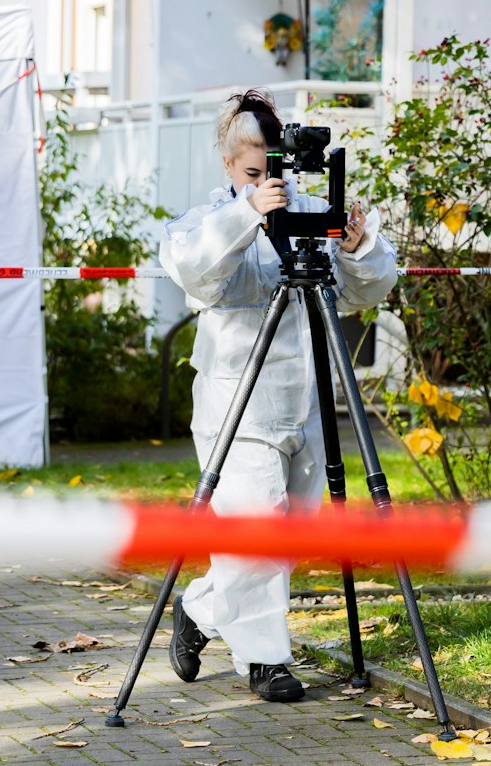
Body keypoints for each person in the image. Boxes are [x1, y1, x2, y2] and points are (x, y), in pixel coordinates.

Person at [160, 89, 396, 702]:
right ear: (228, 165)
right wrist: (247, 214)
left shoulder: (313, 212)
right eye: (252, 172)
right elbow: (195, 270)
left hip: (306, 399)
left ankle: (200, 608)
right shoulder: (209, 218)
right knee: (256, 529)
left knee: (289, 535)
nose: (269, 183)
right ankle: (266, 661)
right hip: (236, 401)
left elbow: (367, 291)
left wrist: (358, 248)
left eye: (276, 171)